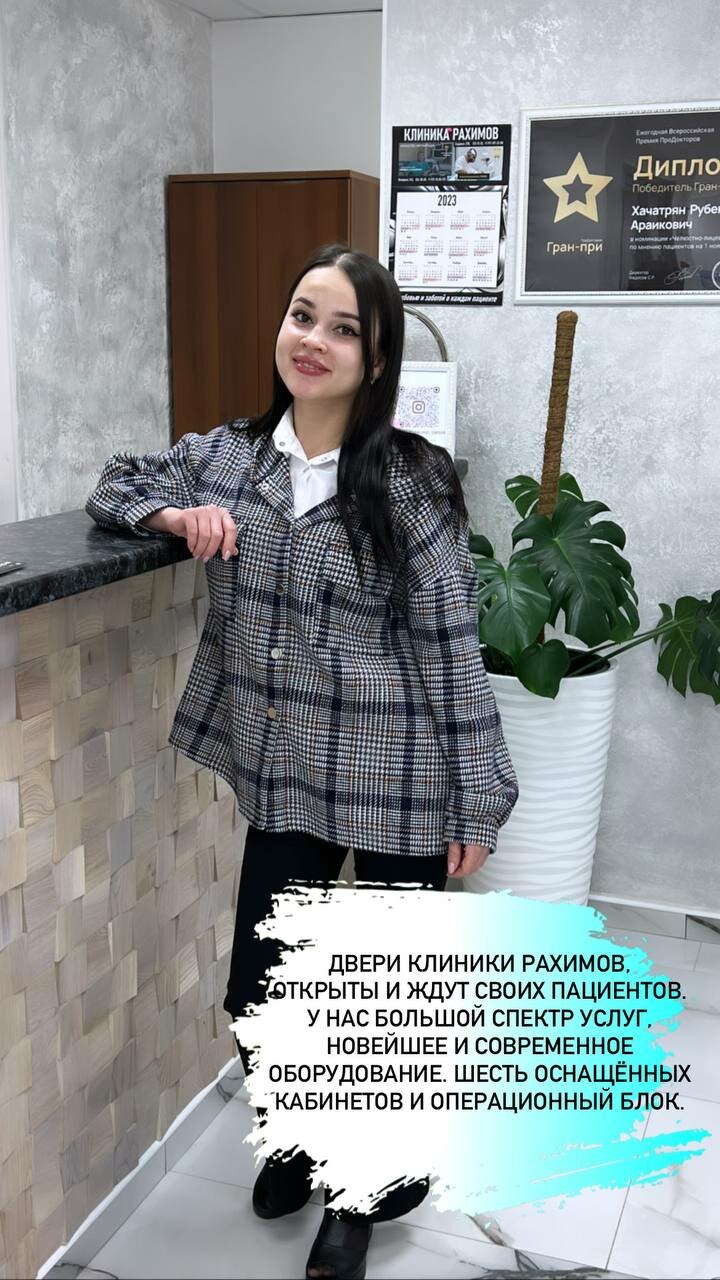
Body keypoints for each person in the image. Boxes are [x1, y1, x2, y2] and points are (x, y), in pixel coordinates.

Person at [85, 243, 519, 1280]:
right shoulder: (230, 460)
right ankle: (293, 1137)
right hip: (283, 770)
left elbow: (451, 648)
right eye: (301, 315)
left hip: (399, 775)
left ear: (378, 360)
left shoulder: (411, 481)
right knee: (260, 991)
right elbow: (115, 481)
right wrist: (172, 515)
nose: (312, 340)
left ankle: (356, 1206)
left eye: (343, 328)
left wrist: (476, 797)